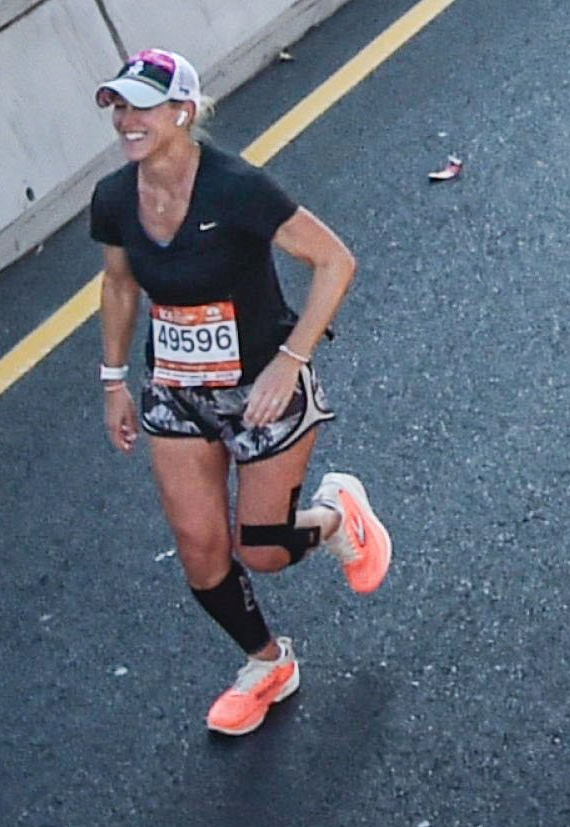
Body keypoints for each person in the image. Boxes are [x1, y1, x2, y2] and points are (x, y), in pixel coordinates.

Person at [89, 48, 397, 737]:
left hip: (262, 387)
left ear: (183, 113)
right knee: (200, 548)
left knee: (261, 548)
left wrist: (291, 360)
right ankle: (266, 663)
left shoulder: (236, 188)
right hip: (177, 392)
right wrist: (114, 382)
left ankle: (337, 517)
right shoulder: (116, 198)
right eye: (119, 106)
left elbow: (333, 259)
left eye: (143, 106)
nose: (128, 120)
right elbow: (117, 284)